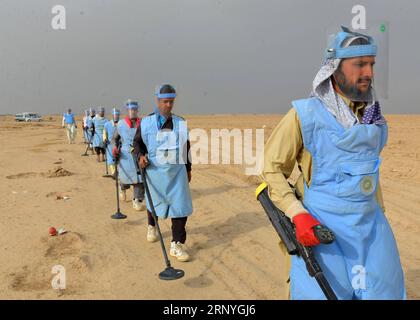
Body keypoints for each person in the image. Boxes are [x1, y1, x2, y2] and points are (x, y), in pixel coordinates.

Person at [261, 26, 405, 300]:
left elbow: (369, 170)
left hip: (371, 228)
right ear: (334, 68)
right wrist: (297, 213)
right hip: (323, 229)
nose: (369, 73)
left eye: (372, 64)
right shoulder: (305, 114)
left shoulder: (373, 116)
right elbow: (271, 168)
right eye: (360, 64)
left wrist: (378, 213)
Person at [133, 84, 193, 262]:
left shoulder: (180, 123)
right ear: (158, 101)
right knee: (154, 203)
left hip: (176, 173)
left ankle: (176, 244)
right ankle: (152, 225)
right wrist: (140, 157)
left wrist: (188, 168)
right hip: (154, 172)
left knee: (180, 208)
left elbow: (185, 148)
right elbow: (137, 144)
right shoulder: (146, 122)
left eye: (171, 102)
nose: (169, 105)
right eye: (165, 101)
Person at [111, 100, 145, 211]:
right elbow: (114, 139)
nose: (133, 112)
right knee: (126, 178)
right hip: (125, 155)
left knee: (140, 179)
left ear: (137, 110)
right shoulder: (121, 124)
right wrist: (115, 148)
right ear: (127, 110)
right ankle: (122, 188)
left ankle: (137, 200)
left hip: (139, 153)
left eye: (135, 110)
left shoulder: (143, 123)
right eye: (131, 110)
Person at [103, 108, 120, 177]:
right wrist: (104, 139)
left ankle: (119, 172)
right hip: (110, 145)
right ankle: (114, 172)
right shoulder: (107, 124)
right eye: (114, 115)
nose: (116, 117)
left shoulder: (122, 124)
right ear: (112, 116)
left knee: (120, 159)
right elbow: (104, 133)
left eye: (117, 115)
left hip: (119, 145)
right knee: (110, 159)